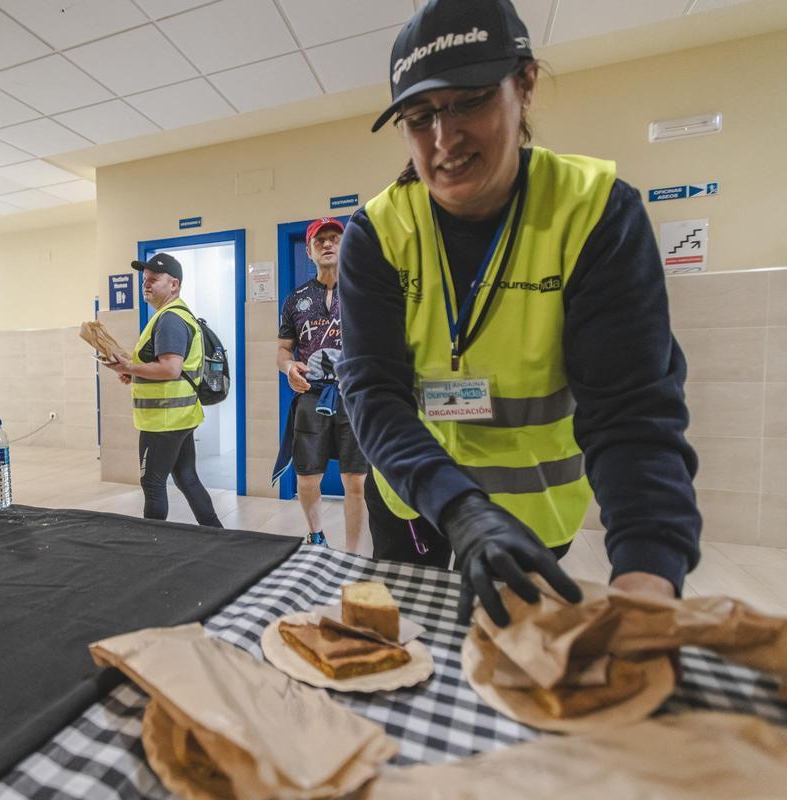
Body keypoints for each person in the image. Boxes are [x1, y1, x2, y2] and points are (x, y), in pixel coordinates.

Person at [337, 0, 701, 626]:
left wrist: (647, 572)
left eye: (470, 101)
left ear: (525, 84)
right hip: (415, 504)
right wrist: (459, 507)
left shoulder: (593, 215)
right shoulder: (378, 233)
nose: (444, 139)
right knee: (404, 647)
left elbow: (632, 413)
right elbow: (373, 391)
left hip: (535, 517)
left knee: (517, 667)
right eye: (419, 117)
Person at [105, 253, 223, 528]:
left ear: (174, 285)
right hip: (179, 416)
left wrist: (130, 368)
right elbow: (167, 369)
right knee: (186, 477)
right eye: (145, 280)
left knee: (152, 482)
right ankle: (217, 534)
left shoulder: (170, 319)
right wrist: (133, 372)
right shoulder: (175, 314)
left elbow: (170, 369)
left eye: (154, 280)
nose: (146, 285)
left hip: (164, 419)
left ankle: (153, 545)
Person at [273, 218, 368, 550]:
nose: (328, 244)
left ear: (345, 245)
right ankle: (316, 534)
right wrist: (288, 368)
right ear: (310, 250)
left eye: (335, 239)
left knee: (354, 480)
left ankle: (354, 551)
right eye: (320, 240)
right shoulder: (295, 299)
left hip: (353, 399)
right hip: (311, 396)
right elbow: (284, 350)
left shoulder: (364, 290)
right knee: (307, 476)